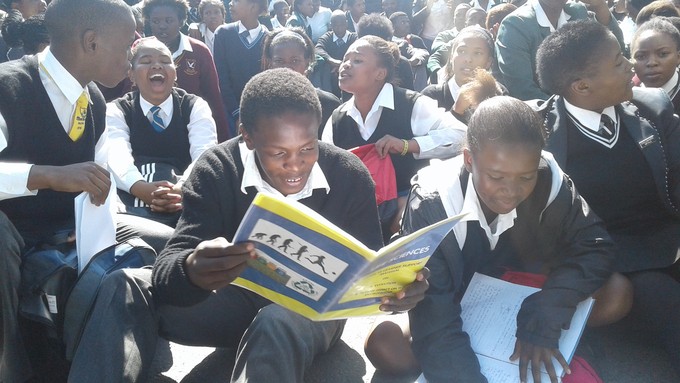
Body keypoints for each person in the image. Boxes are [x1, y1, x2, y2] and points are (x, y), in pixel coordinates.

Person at [67, 68, 431, 382]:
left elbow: (367, 269)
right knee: (126, 284)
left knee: (276, 320)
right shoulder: (216, 169)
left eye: (308, 148)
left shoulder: (350, 175)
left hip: (305, 318)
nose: (296, 165)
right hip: (230, 304)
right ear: (247, 136)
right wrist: (192, 269)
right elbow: (169, 266)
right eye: (278, 153)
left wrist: (397, 293)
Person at [366, 96, 632, 381]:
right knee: (385, 347)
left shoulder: (549, 176)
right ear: (469, 159)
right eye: (496, 176)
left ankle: (547, 338)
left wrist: (549, 308)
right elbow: (435, 313)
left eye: (525, 178)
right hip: (456, 303)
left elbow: (594, 244)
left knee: (618, 293)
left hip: (526, 295)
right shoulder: (434, 201)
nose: (511, 190)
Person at [0, 1, 173, 381]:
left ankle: (112, 355)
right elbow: (62, 176)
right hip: (15, 231)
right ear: (91, 42)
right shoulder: (8, 85)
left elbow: (99, 183)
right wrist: (46, 176)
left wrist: (100, 218)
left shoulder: (93, 100)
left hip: (70, 224)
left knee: (169, 246)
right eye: (128, 44)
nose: (132, 58)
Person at [534, 19, 680, 378]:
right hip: (609, 257)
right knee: (663, 298)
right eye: (618, 61)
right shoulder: (541, 136)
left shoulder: (651, 108)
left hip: (669, 239)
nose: (632, 65)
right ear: (582, 86)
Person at [322, 35, 466, 238]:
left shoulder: (411, 104)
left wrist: (408, 145)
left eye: (357, 60)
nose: (346, 65)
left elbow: (461, 135)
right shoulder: (337, 119)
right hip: (360, 217)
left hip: (409, 215)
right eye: (346, 59)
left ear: (380, 73)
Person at [107, 37, 217, 227]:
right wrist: (141, 189)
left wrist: (181, 189)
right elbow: (116, 157)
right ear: (131, 75)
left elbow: (204, 153)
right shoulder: (117, 110)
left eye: (165, 61)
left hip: (184, 197)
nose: (157, 66)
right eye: (146, 61)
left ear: (175, 74)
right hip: (131, 202)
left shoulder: (194, 106)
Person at [495, 0, 624, 101]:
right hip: (546, 120)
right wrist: (577, 111)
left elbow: (617, 55)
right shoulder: (516, 25)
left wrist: (600, 7)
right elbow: (523, 91)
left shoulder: (577, 12)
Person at [143, 0, 231, 142]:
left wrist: (223, 142)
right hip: (149, 132)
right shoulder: (141, 49)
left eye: (169, 20)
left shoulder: (199, 51)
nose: (162, 26)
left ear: (181, 21)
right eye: (155, 21)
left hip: (192, 131)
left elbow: (214, 98)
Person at [262, 28, 341, 136]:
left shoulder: (329, 104)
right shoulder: (259, 105)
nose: (287, 68)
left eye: (295, 60)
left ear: (307, 63)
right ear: (270, 64)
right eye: (279, 61)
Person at [213, 0, 268, 137]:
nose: (230, 4)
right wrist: (237, 113)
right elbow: (221, 78)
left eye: (236, 1)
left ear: (253, 6)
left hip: (260, 113)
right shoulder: (223, 33)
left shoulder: (268, 38)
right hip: (229, 111)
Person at [421, 26, 497, 112]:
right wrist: (457, 110)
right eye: (462, 51)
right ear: (451, 56)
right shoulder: (432, 96)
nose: (468, 59)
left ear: (488, 62)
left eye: (477, 53)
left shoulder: (497, 95)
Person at [631, 17, 680, 112]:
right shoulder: (627, 95)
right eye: (641, 57)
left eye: (663, 54)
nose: (652, 63)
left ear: (678, 57)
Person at [315, 9, 357, 97]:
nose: (339, 28)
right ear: (331, 25)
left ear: (346, 23)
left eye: (342, 24)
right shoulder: (327, 37)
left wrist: (341, 65)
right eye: (335, 25)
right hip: (331, 76)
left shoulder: (354, 38)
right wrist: (332, 61)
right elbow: (318, 49)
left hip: (350, 73)